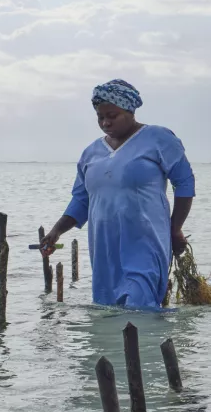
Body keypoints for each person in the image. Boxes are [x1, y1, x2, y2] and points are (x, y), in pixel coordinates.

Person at [39, 79, 195, 309]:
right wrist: (56, 231)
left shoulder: (158, 139)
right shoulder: (91, 153)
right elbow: (82, 200)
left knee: (140, 307)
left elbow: (184, 183)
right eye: (100, 117)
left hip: (145, 242)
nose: (105, 122)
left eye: (112, 115)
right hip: (104, 248)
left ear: (129, 110)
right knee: (108, 314)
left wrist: (175, 227)